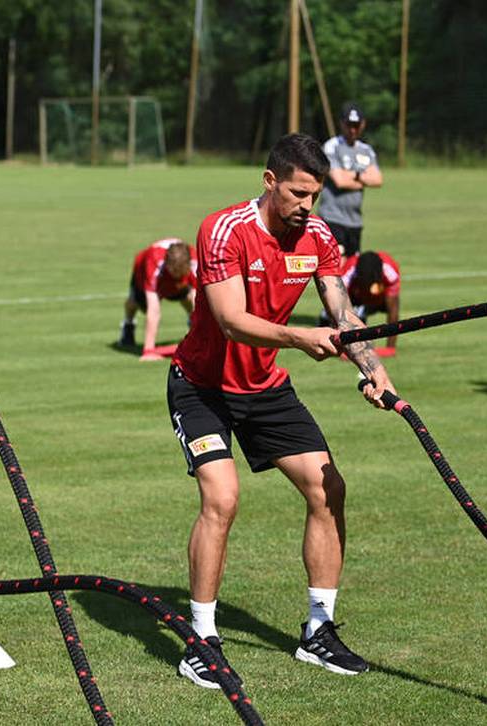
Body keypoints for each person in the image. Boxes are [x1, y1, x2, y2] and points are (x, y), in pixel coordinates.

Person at [166, 133, 397, 689]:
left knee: (328, 489)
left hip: (265, 388)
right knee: (222, 499)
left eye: (314, 195)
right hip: (202, 387)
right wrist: (299, 337)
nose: (306, 207)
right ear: (269, 182)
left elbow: (341, 312)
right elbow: (229, 319)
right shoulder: (223, 230)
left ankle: (318, 633)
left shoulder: (317, 236)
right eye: (297, 193)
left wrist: (373, 368)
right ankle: (202, 641)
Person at [319, 103, 383, 258]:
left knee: (352, 268)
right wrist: (363, 176)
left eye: (356, 125)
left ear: (363, 124)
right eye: (349, 125)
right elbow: (339, 181)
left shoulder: (366, 150)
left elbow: (377, 180)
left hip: (355, 221)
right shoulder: (331, 147)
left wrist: (353, 176)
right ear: (341, 123)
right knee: (336, 265)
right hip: (333, 218)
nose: (352, 129)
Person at [118, 238, 197, 360]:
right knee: (135, 303)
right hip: (142, 273)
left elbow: (199, 298)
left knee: (187, 297)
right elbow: (153, 309)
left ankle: (193, 325)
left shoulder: (195, 261)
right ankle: (128, 324)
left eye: (181, 272)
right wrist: (149, 350)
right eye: (175, 272)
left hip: (175, 274)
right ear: (167, 265)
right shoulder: (153, 262)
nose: (178, 275)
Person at [317, 251, 401, 356]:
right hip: (355, 298)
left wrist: (390, 348)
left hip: (378, 300)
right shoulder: (349, 272)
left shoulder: (390, 271)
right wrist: (343, 347)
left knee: (391, 306)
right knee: (330, 314)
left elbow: (393, 310)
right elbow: (337, 305)